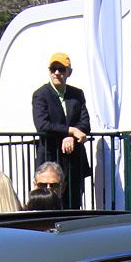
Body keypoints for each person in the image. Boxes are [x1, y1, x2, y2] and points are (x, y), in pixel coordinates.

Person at [32, 52, 90, 211]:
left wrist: (71, 137)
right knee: (48, 204)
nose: (57, 72)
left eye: (61, 69)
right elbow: (42, 125)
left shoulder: (77, 94)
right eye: (53, 69)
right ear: (49, 71)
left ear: (69, 72)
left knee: (74, 204)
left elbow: (85, 123)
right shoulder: (41, 95)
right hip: (51, 157)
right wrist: (70, 131)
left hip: (73, 161)